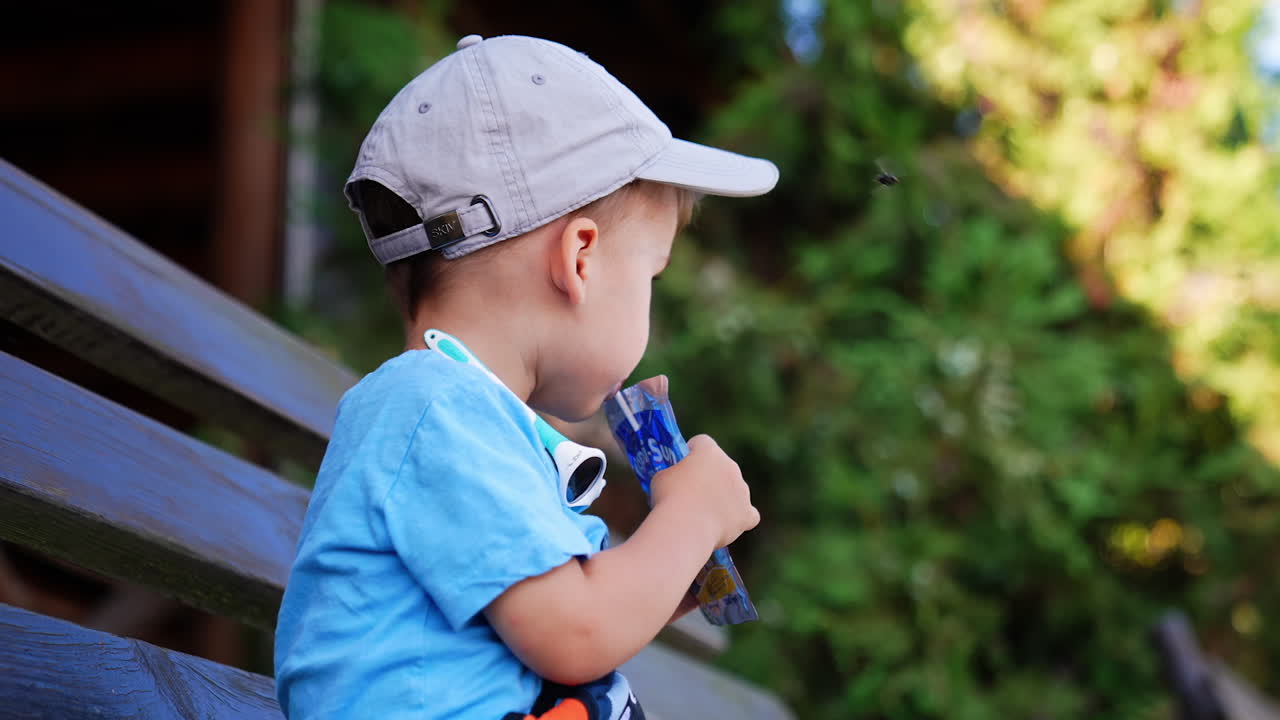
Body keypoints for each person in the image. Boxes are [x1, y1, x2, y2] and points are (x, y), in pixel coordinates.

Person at [274, 33, 777, 720]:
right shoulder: (431, 406)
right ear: (580, 260)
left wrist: (666, 571)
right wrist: (691, 518)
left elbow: (558, 620)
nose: (649, 303)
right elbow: (574, 634)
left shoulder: (474, 424)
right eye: (650, 274)